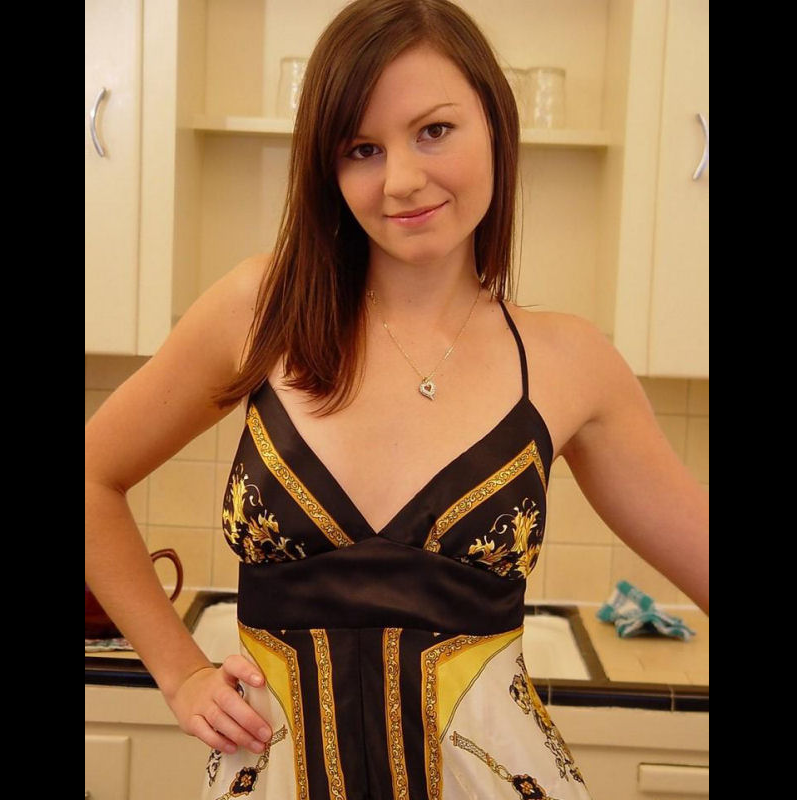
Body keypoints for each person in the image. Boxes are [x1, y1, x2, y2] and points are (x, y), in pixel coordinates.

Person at [85, 0, 709, 797]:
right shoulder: (260, 311)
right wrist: (179, 673)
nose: (403, 179)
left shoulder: (570, 363)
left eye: (435, 130)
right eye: (363, 149)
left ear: (495, 123)